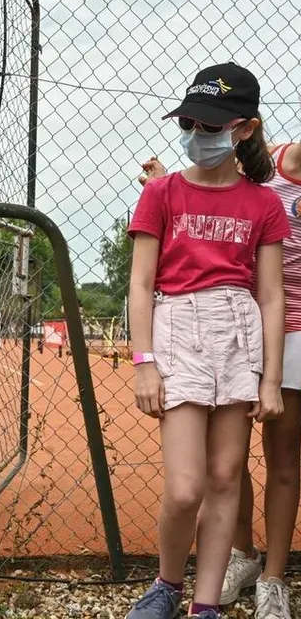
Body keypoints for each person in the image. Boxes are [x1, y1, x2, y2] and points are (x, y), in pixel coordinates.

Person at [125, 63, 289, 619]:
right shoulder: (162, 192)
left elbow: (270, 296)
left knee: (225, 478)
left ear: (244, 129)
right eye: (191, 122)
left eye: (213, 125)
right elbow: (141, 284)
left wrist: (270, 380)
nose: (199, 134)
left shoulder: (263, 204)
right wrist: (144, 362)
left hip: (238, 336)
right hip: (178, 332)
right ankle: (167, 583)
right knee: (186, 486)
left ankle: (205, 603)